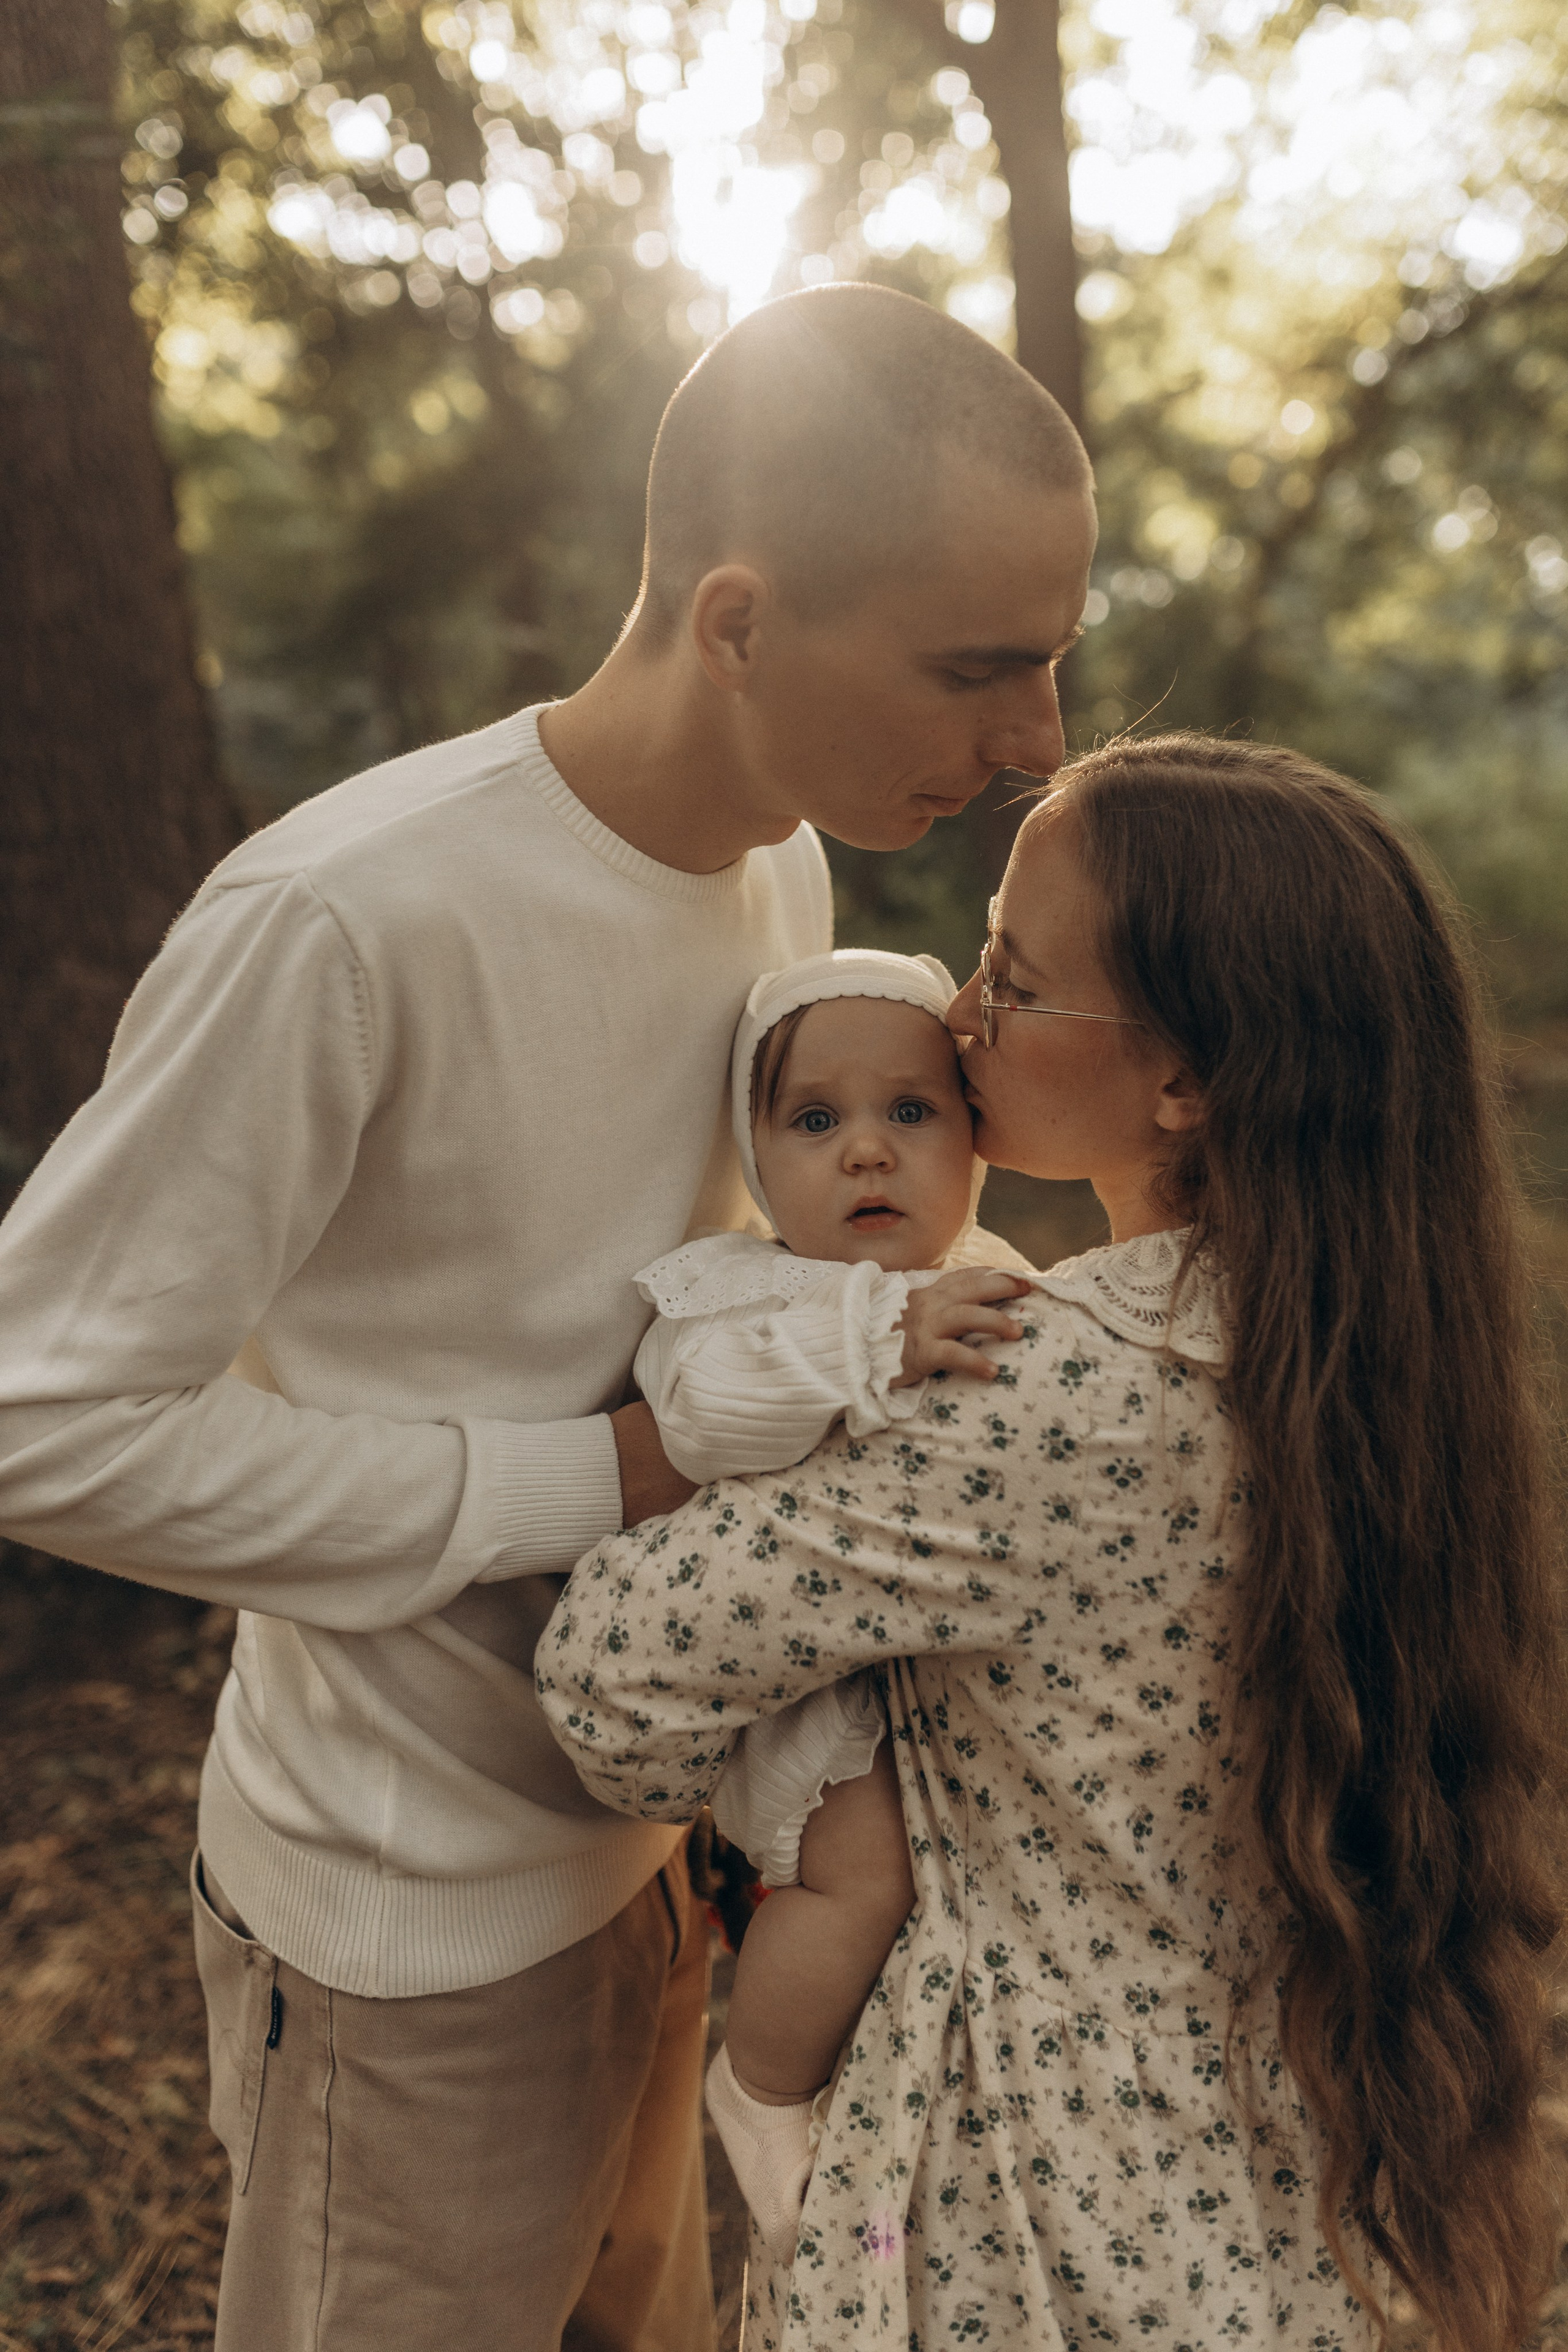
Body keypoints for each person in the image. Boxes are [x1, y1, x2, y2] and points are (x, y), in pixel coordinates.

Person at [0, 282, 1095, 2351]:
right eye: (979, 668)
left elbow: (717, 1307)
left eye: (1048, 661)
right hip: (409, 1931)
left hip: (681, 1856)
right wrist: (587, 1478)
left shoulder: (782, 881)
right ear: (739, 622)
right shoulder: (348, 917)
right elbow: (39, 1417)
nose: (1039, 738)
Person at [538, 734, 1564, 2352]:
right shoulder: (1377, 1352)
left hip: (1024, 2207)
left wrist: (802, 1781)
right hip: (1317, 2175)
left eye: (1014, 981)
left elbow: (611, 1680)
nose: (959, 1015)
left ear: (1184, 1083)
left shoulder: (1043, 1389)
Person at [630, 946, 1036, 2256]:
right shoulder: (742, 1295)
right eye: (815, 1121)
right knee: (865, 1881)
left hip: (961, 1679)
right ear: (753, 1154)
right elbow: (700, 1420)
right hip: (821, 1700)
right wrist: (872, 1342)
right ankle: (761, 2089)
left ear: (974, 1136)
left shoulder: (997, 1272)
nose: (867, 1150)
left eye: (910, 1110)